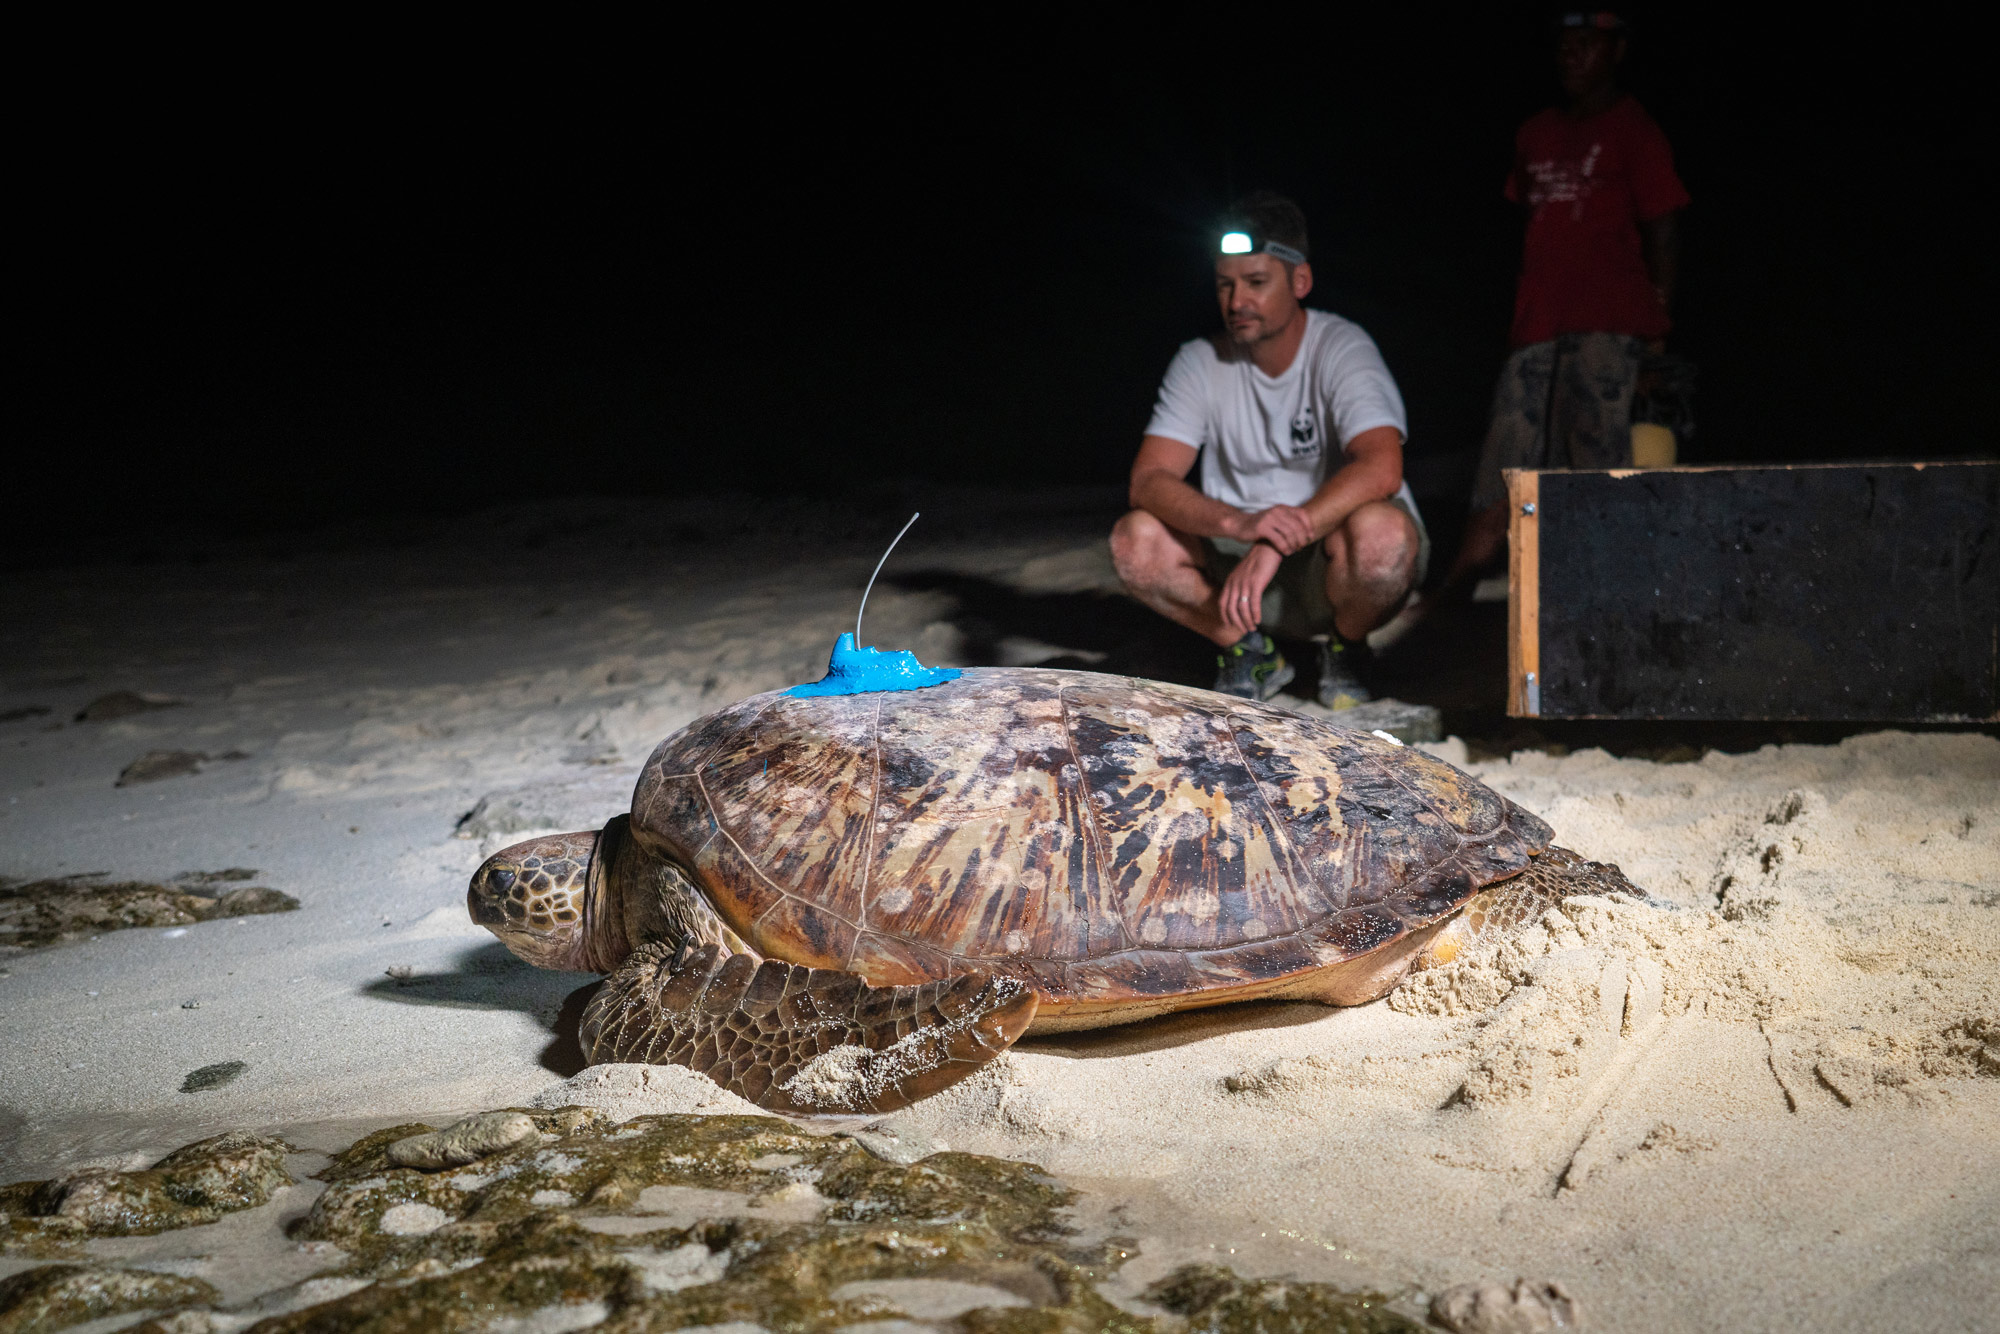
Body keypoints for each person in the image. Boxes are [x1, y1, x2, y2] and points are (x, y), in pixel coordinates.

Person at [1110, 191, 1427, 706]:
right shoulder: (1198, 360)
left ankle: (1347, 647)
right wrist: (1240, 525)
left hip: (1329, 567)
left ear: (1300, 281)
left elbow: (1382, 465)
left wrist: (1275, 540)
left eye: (1257, 283)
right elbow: (1148, 481)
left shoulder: (1342, 346)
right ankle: (1248, 652)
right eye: (1226, 285)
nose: (1237, 302)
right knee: (1134, 540)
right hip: (1239, 577)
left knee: (1384, 534)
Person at [1442, 9, 1690, 589]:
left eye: (1586, 44)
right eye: (1564, 44)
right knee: (1505, 456)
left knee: (1595, 462)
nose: (1571, 55)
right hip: (1538, 325)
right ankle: (1465, 579)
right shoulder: (1536, 132)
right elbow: (1527, 222)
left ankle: (1609, 585)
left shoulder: (1636, 130)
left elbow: (1665, 231)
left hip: (1609, 324)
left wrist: (1656, 329)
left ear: (1616, 50)